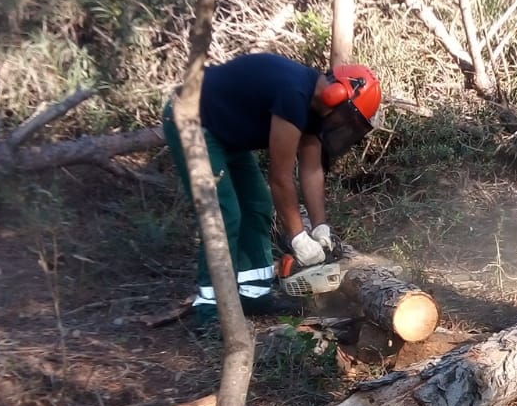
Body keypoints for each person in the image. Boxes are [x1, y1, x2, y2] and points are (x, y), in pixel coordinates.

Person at [162, 53, 382, 323]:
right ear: (336, 96)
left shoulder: (315, 109)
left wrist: (320, 227)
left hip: (227, 135)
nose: (341, 125)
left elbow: (312, 170)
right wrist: (298, 237)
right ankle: (210, 311)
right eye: (347, 119)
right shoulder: (294, 95)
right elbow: (280, 177)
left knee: (257, 205)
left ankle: (255, 295)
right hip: (193, 122)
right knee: (225, 213)